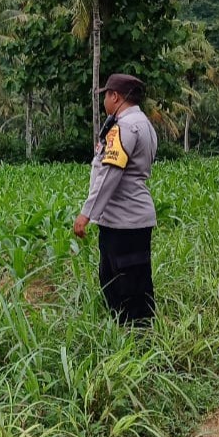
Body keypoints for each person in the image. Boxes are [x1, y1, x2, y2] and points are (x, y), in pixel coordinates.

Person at [72, 73, 158, 324]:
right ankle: (136, 336)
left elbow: (110, 173)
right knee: (132, 280)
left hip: (123, 220)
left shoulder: (125, 128)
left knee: (124, 285)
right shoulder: (144, 124)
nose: (105, 101)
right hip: (130, 218)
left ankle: (135, 339)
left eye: (106, 96)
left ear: (115, 96)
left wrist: (87, 212)